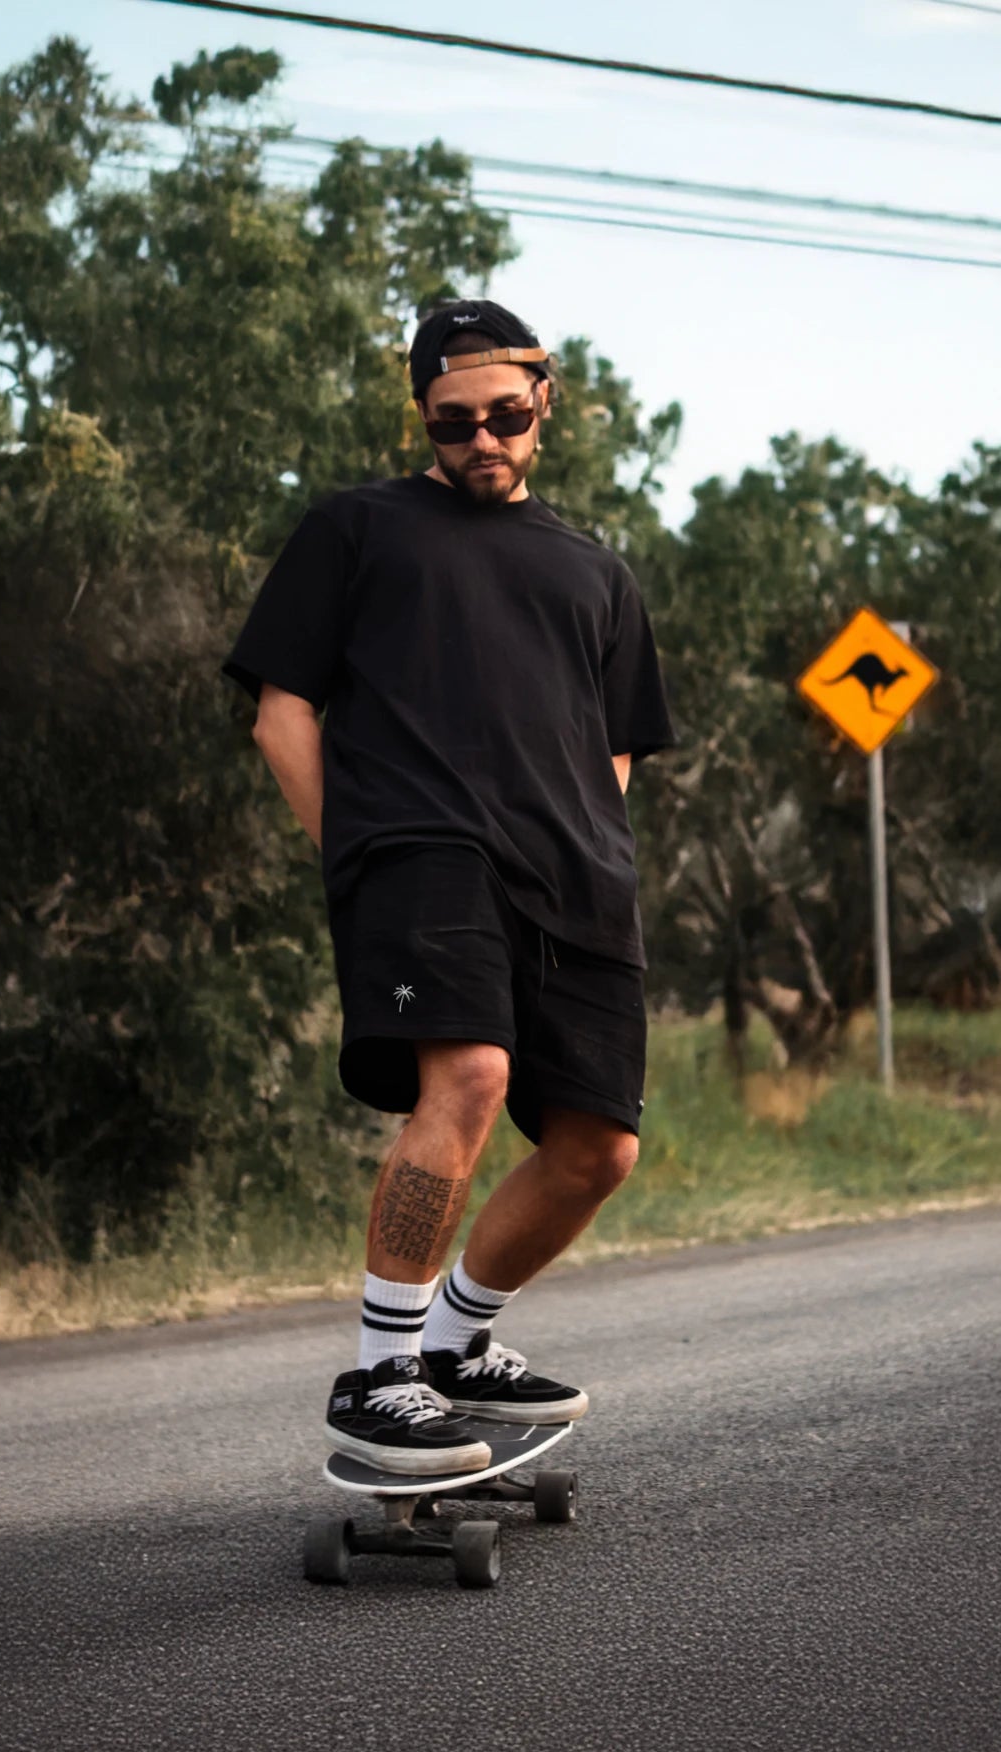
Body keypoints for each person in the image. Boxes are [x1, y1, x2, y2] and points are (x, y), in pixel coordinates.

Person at [222, 299, 676, 1475]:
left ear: (545, 405)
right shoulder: (359, 530)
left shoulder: (596, 573)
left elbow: (611, 751)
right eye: (451, 422)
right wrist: (357, 858)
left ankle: (457, 1342)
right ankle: (379, 1373)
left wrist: (592, 844)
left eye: (504, 416)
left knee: (597, 1147)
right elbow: (281, 713)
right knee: (469, 1077)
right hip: (422, 855)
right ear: (424, 418)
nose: (480, 439)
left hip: (577, 879)